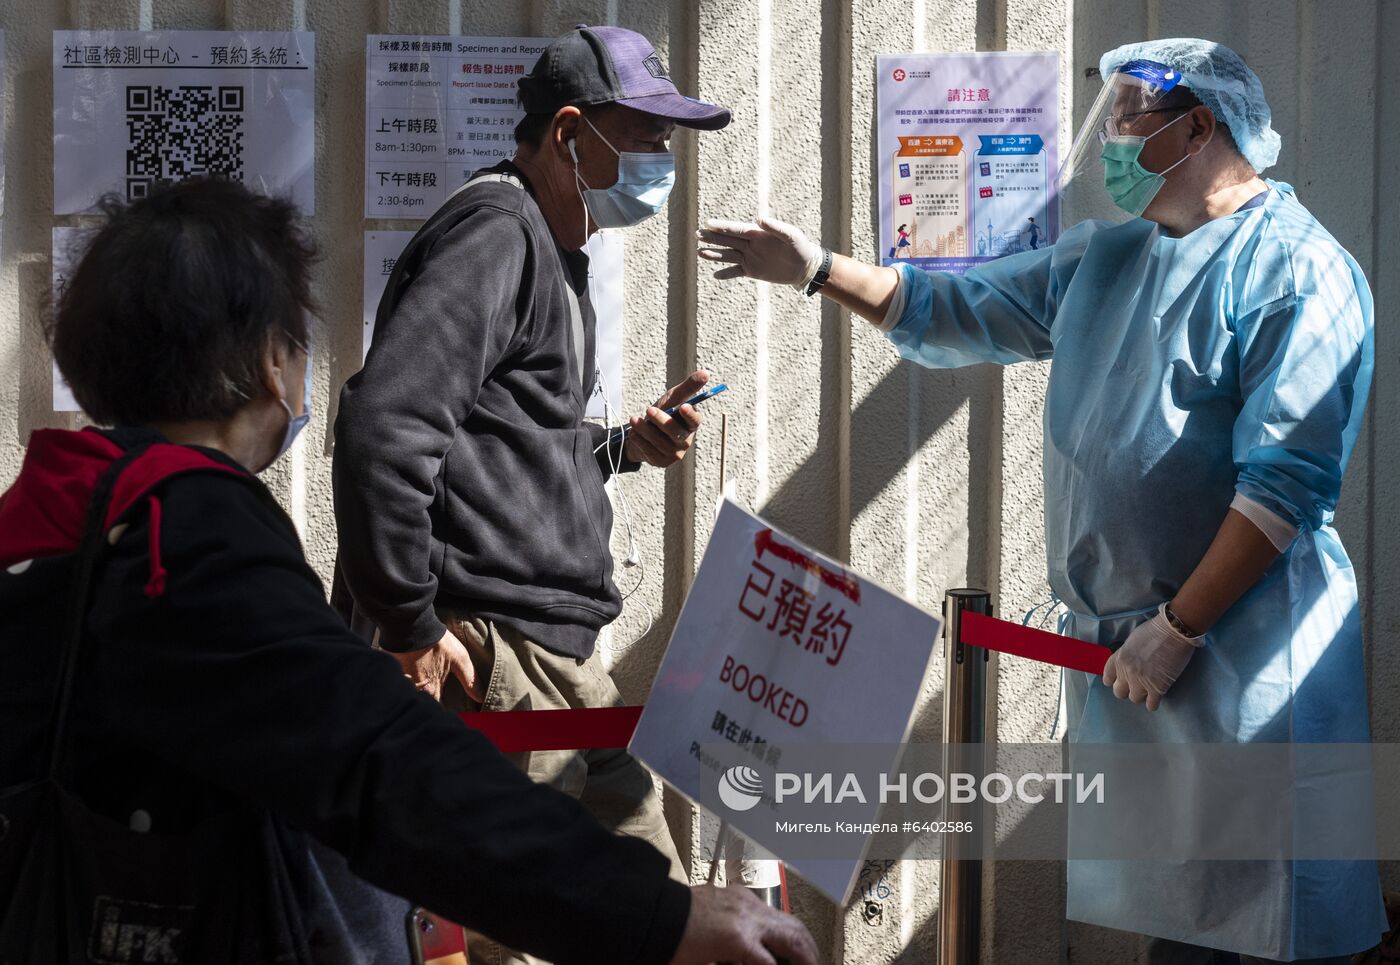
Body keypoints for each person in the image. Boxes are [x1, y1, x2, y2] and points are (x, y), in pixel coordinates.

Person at [0, 177, 818, 965]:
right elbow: (384, 768)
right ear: (267, 364)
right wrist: (656, 913)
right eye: (299, 342)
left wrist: (614, 451)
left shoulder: (55, 514)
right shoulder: (189, 532)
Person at [697, 37, 1386, 965]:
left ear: (1200, 125)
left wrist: (1180, 626)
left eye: (1132, 115)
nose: (1111, 136)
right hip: (1141, 663)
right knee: (1183, 925)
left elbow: (1284, 486)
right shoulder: (1107, 261)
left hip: (1243, 661)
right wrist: (817, 266)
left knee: (1265, 922)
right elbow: (952, 306)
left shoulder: (1298, 272)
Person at [332, 25, 732, 963]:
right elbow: (385, 426)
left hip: (550, 659)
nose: (660, 163)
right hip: (504, 655)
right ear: (569, 134)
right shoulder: (498, 235)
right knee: (562, 926)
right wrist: (407, 623)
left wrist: (621, 446)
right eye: (643, 137)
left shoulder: (549, 246)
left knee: (649, 914)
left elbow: (499, 441)